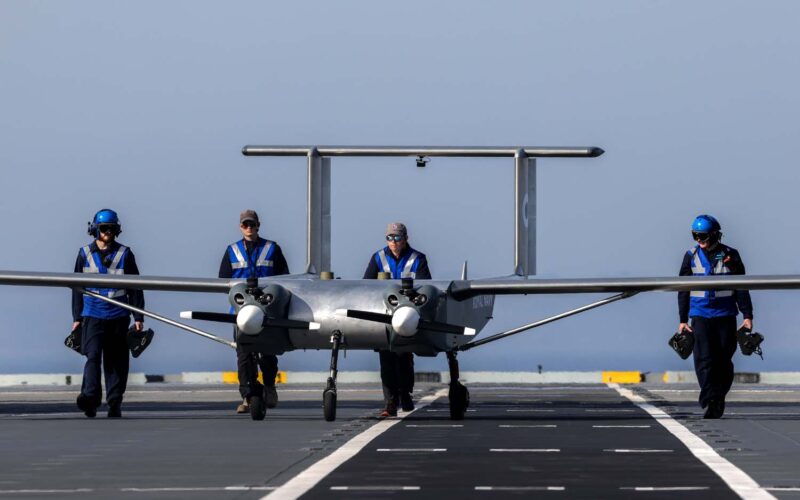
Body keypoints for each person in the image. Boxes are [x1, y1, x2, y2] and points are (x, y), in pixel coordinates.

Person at [678, 214, 753, 419]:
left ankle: (717, 397)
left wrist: (747, 315)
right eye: (695, 235)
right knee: (703, 359)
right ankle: (711, 400)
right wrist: (683, 320)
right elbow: (682, 289)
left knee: (723, 360)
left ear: (714, 235)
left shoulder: (731, 255)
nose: (699, 240)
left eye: (703, 236)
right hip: (700, 315)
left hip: (725, 315)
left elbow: (742, 287)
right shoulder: (690, 256)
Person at [72, 209, 144, 418]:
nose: (108, 232)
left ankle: (114, 403)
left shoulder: (125, 254)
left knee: (116, 363)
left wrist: (138, 317)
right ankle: (90, 399)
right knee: (92, 357)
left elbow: (136, 287)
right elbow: (76, 288)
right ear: (95, 229)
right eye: (104, 228)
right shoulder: (84, 254)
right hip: (92, 315)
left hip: (118, 316)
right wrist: (77, 318)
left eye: (112, 228)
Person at [219, 210, 289, 414]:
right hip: (241, 312)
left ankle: (269, 386)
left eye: (252, 224)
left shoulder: (272, 248)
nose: (249, 228)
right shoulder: (232, 250)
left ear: (258, 225)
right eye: (245, 225)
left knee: (268, 353)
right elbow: (223, 280)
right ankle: (248, 396)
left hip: (267, 311)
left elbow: (285, 278)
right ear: (240, 227)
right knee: (244, 356)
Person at [363, 222, 431, 417]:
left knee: (404, 357)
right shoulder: (378, 258)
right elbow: (365, 286)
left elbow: (426, 287)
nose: (393, 242)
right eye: (390, 238)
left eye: (397, 237)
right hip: (383, 317)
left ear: (405, 238)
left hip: (408, 316)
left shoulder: (418, 259)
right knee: (386, 359)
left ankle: (406, 393)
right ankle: (390, 402)